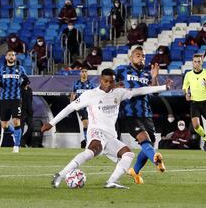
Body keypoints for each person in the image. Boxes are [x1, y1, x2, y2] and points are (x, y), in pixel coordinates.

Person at [41, 68, 172, 189]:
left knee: (128, 154)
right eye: (105, 81)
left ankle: (111, 182)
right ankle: (60, 175)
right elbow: (69, 108)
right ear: (100, 80)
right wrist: (51, 123)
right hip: (96, 131)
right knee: (93, 150)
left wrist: (164, 87)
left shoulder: (118, 93)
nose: (108, 84)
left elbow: (140, 91)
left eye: (111, 81)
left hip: (110, 136)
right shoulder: (90, 95)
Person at [115, 45, 166, 185]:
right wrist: (116, 88)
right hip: (129, 113)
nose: (141, 58)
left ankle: (135, 171)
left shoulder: (147, 73)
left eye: (143, 56)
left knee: (149, 143)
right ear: (131, 57)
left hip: (146, 113)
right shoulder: (121, 70)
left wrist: (155, 77)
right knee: (144, 138)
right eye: (138, 55)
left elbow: (155, 92)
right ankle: (156, 159)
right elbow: (108, 84)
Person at [182, 54, 206, 156]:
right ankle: (205, 137)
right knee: (195, 125)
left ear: (202, 62)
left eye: (199, 61)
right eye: (195, 61)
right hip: (195, 102)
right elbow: (185, 87)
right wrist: (186, 94)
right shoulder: (188, 75)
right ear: (192, 63)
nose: (197, 63)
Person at [0, 50, 30, 153]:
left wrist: (22, 86)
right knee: (4, 125)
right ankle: (14, 133)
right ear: (6, 57)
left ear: (15, 57)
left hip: (16, 99)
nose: (11, 56)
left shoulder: (20, 69)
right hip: (4, 99)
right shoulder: (2, 69)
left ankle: (16, 146)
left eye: (13, 55)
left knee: (16, 121)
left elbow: (27, 81)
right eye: (9, 55)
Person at [70, 66, 94, 148]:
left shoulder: (91, 84)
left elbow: (94, 95)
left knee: (89, 125)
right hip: (81, 107)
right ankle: (87, 141)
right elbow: (73, 95)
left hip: (89, 107)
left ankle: (87, 140)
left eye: (85, 71)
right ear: (80, 73)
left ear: (87, 73)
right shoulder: (76, 84)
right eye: (82, 71)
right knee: (86, 124)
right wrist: (71, 106)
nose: (84, 73)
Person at [21, 83, 33, 147]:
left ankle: (25, 140)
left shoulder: (30, 90)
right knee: (21, 128)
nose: (27, 84)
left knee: (31, 127)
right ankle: (21, 144)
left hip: (29, 112)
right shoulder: (20, 89)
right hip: (22, 111)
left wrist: (30, 109)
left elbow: (31, 99)